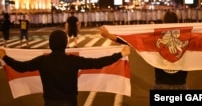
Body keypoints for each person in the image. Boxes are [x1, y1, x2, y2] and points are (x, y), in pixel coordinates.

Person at [0, 30, 130, 106]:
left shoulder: (42, 60)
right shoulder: (72, 60)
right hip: (69, 102)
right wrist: (120, 54)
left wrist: (5, 57)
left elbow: (21, 67)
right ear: (65, 44)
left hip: (50, 102)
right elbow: (97, 63)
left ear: (50, 43)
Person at [100, 11, 188, 90]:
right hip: (181, 84)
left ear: (163, 22)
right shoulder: (187, 37)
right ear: (177, 21)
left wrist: (108, 35)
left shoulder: (155, 37)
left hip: (161, 84)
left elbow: (130, 40)